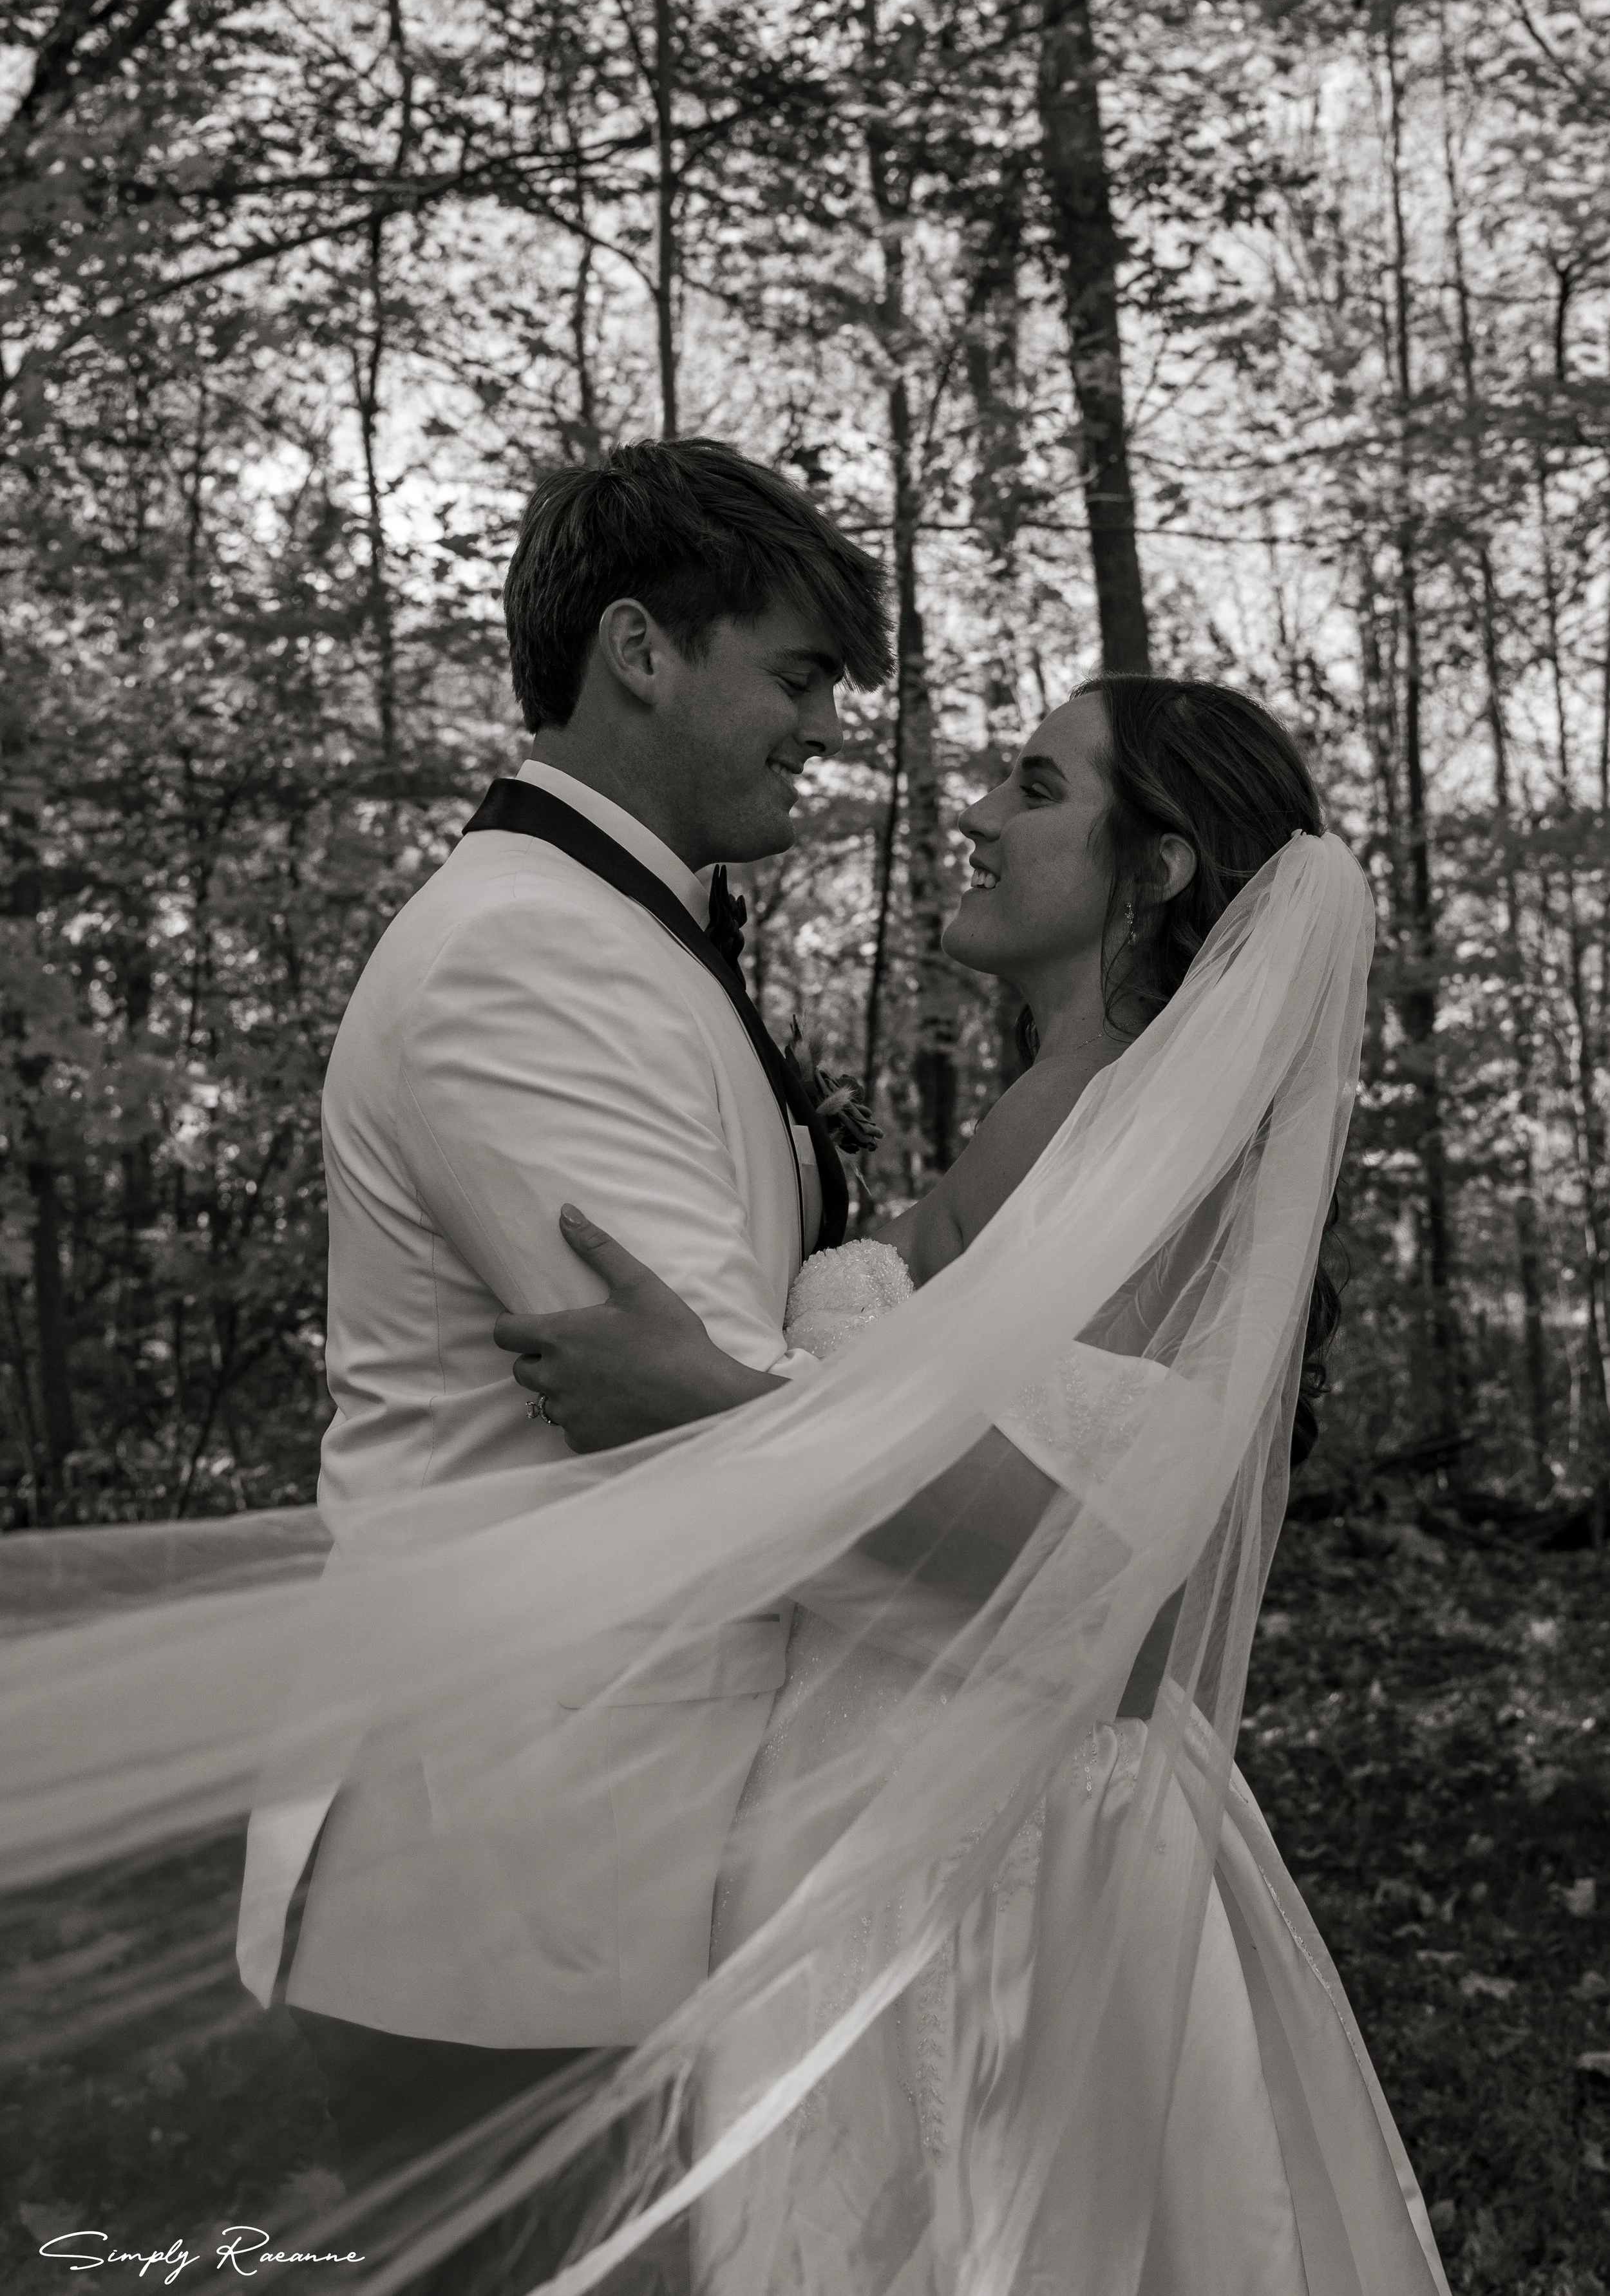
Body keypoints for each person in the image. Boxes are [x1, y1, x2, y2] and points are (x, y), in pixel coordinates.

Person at [493, 676, 1453, 2293]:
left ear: (1148, 872)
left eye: (1032, 786)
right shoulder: (1063, 1119)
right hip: (882, 1813)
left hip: (984, 1870)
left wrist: (713, 1412)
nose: (981, 817)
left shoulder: (1134, 1141)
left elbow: (1092, 1585)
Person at [231, 437, 891, 2243]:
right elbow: (677, 1419)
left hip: (589, 1842)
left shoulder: (617, 933)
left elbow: (715, 1369)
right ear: (639, 647)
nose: (825, 724)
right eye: (800, 669)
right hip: (515, 1868)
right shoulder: (529, 957)